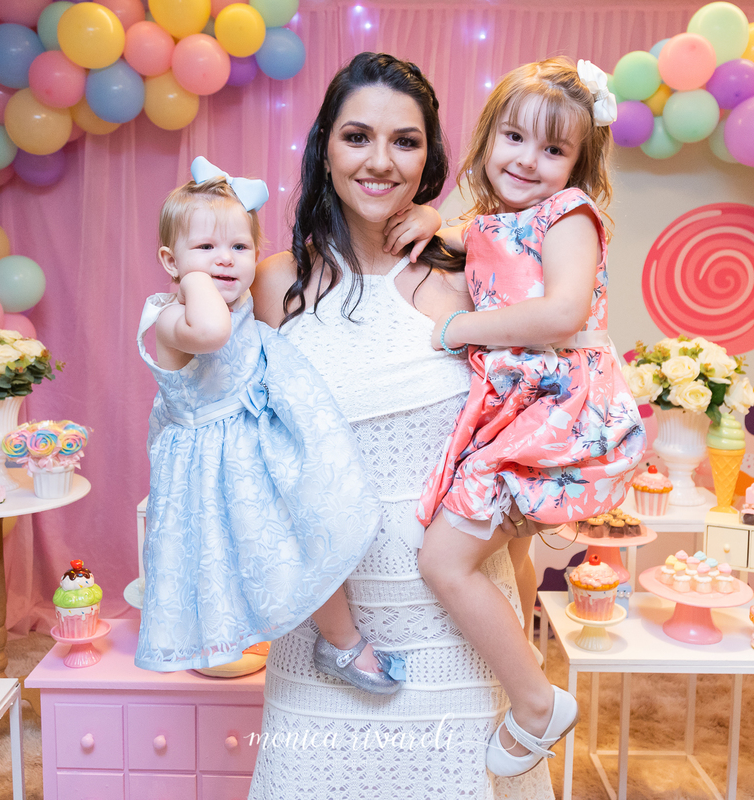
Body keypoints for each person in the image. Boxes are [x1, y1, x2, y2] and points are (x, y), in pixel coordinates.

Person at [248, 53, 554, 799]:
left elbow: (530, 419)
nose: (381, 162)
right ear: (325, 146)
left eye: (405, 142)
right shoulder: (273, 283)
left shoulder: (475, 270)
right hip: (327, 631)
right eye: (358, 137)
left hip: (454, 627)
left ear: (432, 156)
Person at [410, 56, 646, 775]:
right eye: (515, 138)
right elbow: (449, 238)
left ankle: (538, 702)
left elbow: (563, 311)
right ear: (487, 140)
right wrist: (426, 216)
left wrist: (457, 332)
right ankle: (513, 675)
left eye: (554, 150)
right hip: (516, 407)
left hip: (560, 407)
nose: (529, 160)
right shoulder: (488, 222)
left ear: (578, 164)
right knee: (506, 554)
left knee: (444, 561)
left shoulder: (567, 214)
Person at [134, 158, 400, 695]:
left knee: (316, 532)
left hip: (261, 448)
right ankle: (333, 642)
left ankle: (337, 639)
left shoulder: (239, 296)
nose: (224, 261)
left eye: (239, 247)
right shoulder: (172, 320)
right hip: (218, 474)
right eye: (205, 248)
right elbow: (210, 332)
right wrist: (196, 281)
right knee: (263, 558)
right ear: (170, 260)